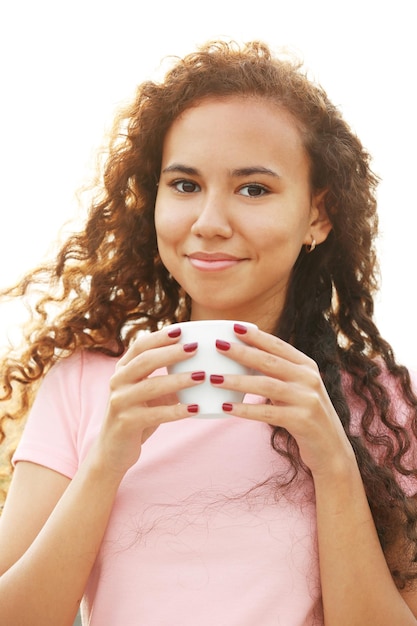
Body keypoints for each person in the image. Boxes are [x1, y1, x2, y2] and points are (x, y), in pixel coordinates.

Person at [0, 39, 416, 626]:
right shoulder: (86, 387)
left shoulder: (380, 409)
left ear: (317, 216)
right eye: (186, 185)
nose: (209, 223)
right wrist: (107, 459)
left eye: (254, 189)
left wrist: (335, 463)